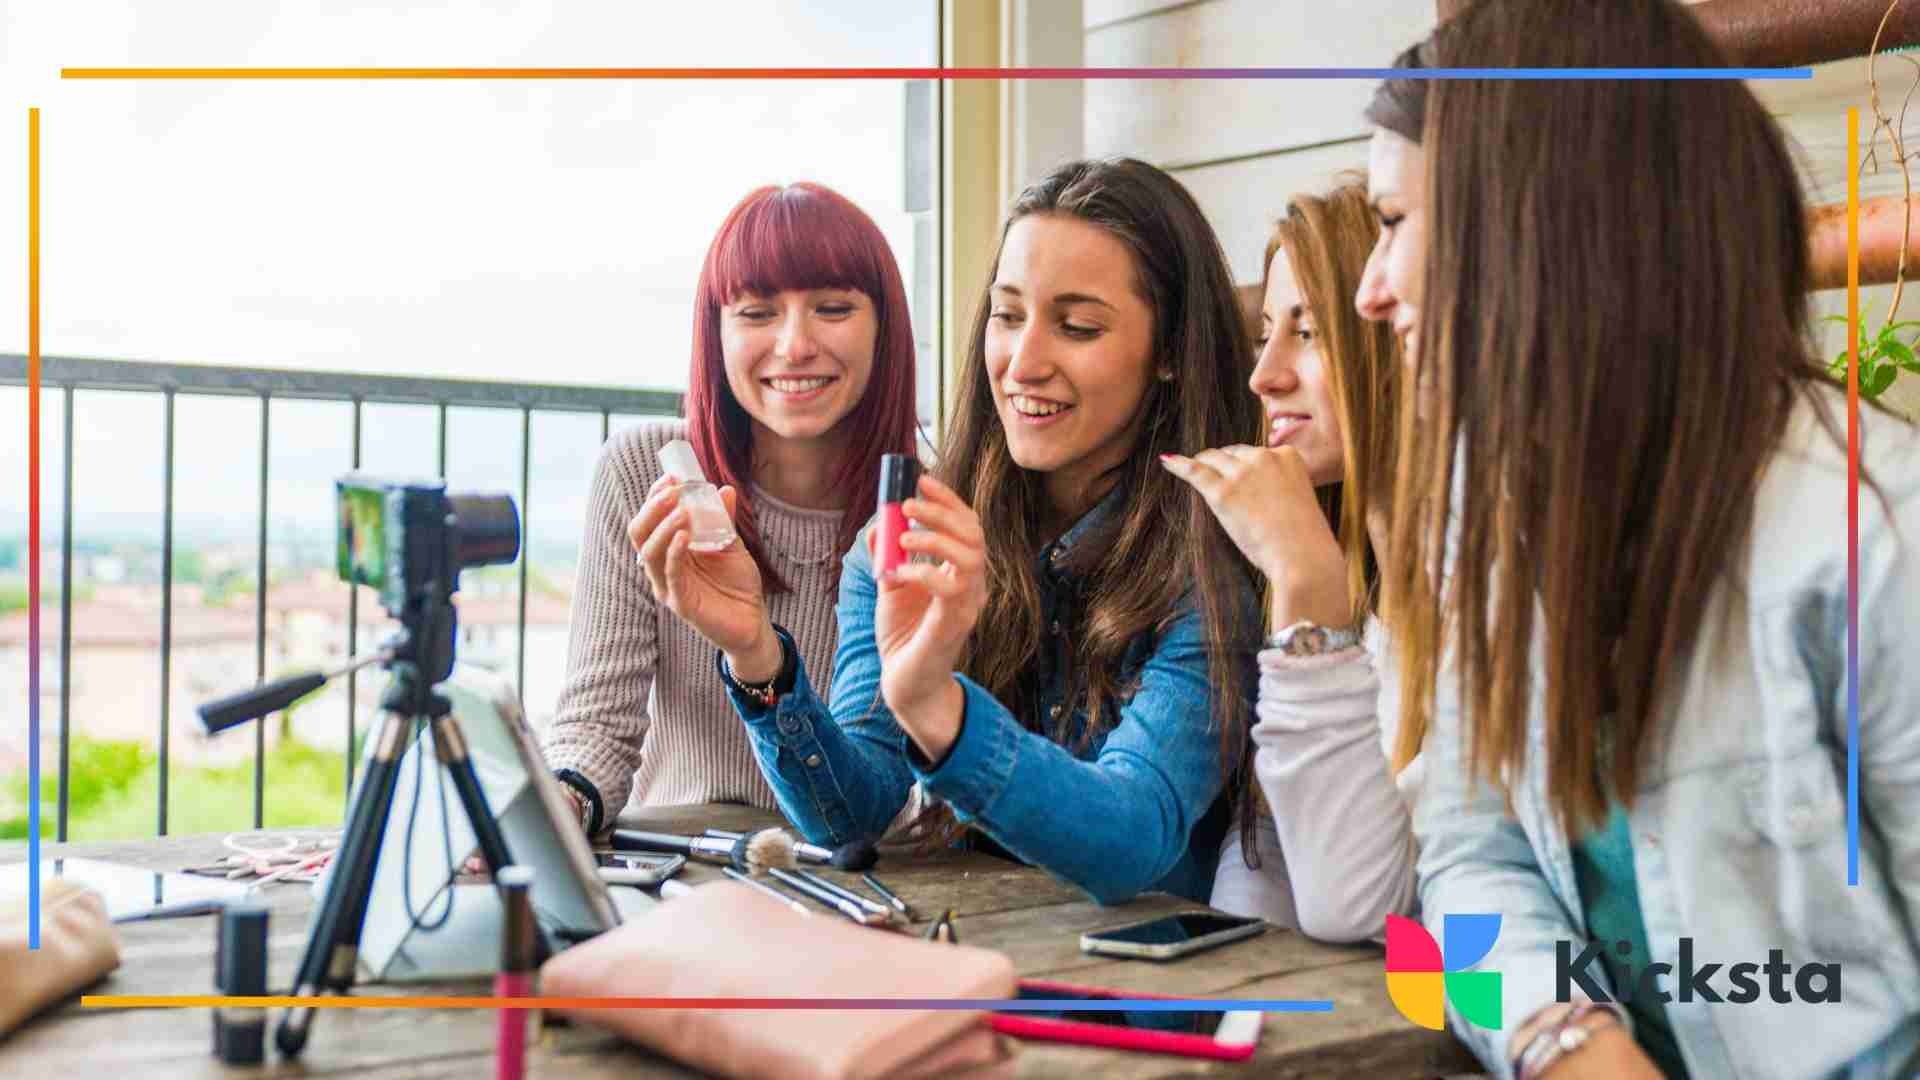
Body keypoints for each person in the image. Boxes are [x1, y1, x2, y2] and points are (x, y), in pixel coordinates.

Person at [1358, 2, 1920, 1078]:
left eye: (1392, 223)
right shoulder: (1495, 513)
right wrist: (1559, 1037)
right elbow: (1464, 866)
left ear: (1530, 225)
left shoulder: (1872, 544)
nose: (1369, 291)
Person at [630, 156, 1263, 904]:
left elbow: (1132, 837)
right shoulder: (910, 539)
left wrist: (936, 705)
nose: (1023, 363)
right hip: (971, 960)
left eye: (1078, 326)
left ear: (1168, 353)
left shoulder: (1211, 567)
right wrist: (756, 654)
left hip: (1140, 995)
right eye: (1008, 314)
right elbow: (853, 815)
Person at [541, 182, 920, 836]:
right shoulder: (644, 470)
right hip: (680, 861)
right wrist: (556, 808)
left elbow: (879, 777)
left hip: (855, 876)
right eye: (756, 312)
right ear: (714, 333)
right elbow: (596, 727)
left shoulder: (920, 510)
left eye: (832, 308)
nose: (796, 345)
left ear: (885, 329)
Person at [1161, 180, 1418, 942]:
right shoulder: (1349, 565)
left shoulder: (1482, 595)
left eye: (1307, 333)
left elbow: (1354, 908)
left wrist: (1304, 585)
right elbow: (1265, 852)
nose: (1263, 375)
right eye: (1266, 331)